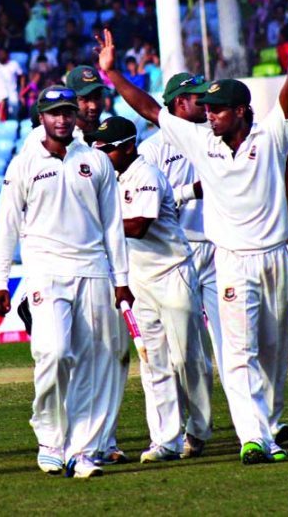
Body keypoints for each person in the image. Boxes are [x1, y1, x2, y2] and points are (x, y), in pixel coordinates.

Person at [95, 0, 288, 464]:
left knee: (274, 354)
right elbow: (153, 111)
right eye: (207, 108)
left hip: (275, 256)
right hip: (230, 259)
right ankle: (252, 438)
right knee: (237, 353)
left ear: (240, 111)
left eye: (218, 109)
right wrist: (113, 76)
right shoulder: (201, 140)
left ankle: (269, 427)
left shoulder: (271, 137)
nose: (209, 115)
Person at [0, 86, 133, 479]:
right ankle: (50, 439)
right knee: (53, 353)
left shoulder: (95, 161)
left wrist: (121, 280)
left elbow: (112, 226)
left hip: (93, 271)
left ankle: (81, 451)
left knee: (91, 363)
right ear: (41, 116)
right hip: (45, 272)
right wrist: (0, 280)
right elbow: (7, 224)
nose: (63, 119)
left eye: (68, 112)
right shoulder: (24, 163)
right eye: (55, 113)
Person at [89, 116, 214, 463]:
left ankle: (200, 428)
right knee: (152, 360)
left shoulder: (146, 174)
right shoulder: (108, 178)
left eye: (107, 149)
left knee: (186, 358)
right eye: (97, 148)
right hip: (139, 282)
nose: (101, 153)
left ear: (129, 147)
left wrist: (89, 224)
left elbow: (140, 226)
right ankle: (166, 440)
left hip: (173, 273)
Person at [138, 73, 223, 453]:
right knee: (173, 354)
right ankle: (170, 436)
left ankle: (259, 423)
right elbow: (152, 201)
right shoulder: (153, 149)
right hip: (176, 252)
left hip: (220, 247)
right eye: (194, 98)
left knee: (230, 342)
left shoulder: (214, 136)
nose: (203, 104)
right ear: (175, 103)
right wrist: (192, 192)